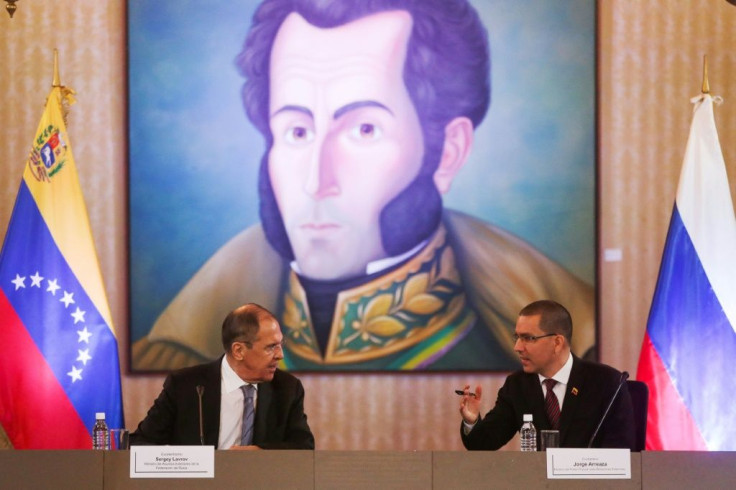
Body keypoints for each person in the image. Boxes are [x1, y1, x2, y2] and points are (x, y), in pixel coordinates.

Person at [132, 0, 594, 372]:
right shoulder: (182, 359)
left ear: (448, 151)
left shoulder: (562, 356)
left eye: (364, 130)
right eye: (296, 131)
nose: (317, 181)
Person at [130, 304, 315, 449]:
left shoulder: (287, 388)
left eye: (280, 344)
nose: (280, 354)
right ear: (239, 350)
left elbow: (304, 447)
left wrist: (260, 453)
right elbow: (141, 443)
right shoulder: (184, 386)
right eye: (270, 347)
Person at [459, 300, 635, 450]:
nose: (518, 347)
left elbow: (622, 450)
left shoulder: (606, 383)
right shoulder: (517, 385)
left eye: (528, 338)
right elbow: (483, 443)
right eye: (517, 338)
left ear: (557, 342)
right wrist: (471, 422)